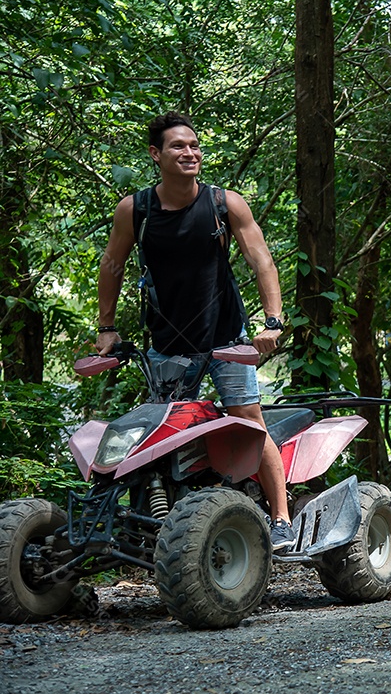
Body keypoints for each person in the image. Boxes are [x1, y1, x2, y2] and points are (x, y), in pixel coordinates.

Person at [95, 111, 297, 549]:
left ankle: (281, 518)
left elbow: (261, 260)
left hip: (225, 339)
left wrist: (272, 321)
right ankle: (162, 521)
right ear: (156, 154)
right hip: (166, 345)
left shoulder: (224, 203)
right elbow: (111, 265)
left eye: (194, 146)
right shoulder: (136, 210)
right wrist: (106, 328)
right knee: (159, 431)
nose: (189, 153)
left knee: (248, 421)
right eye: (178, 146)